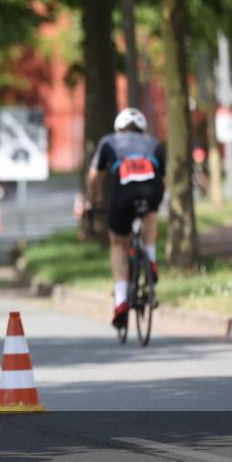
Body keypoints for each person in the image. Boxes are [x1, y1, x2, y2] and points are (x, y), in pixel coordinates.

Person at [85, 107, 165, 329]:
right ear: (142, 129)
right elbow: (163, 181)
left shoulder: (109, 141)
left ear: (118, 128)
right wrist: (155, 202)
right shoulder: (155, 143)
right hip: (151, 191)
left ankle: (121, 299)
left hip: (123, 194)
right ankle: (150, 258)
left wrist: (93, 200)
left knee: (119, 244)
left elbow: (94, 178)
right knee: (150, 213)